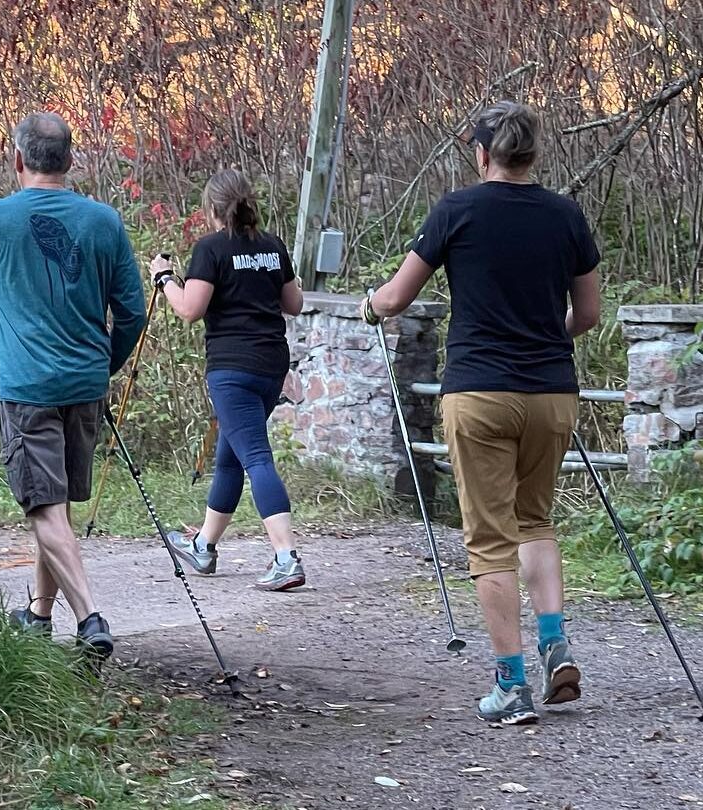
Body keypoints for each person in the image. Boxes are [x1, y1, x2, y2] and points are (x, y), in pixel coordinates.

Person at [363, 101, 602, 724]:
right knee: (537, 521)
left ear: (481, 154)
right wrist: (549, 340)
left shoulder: (456, 210)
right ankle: (556, 646)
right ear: (532, 155)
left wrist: (370, 307)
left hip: (478, 394)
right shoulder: (565, 215)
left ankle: (511, 685)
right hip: (551, 392)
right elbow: (590, 314)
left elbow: (395, 296)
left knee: (490, 541)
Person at [0, 112, 146, 658]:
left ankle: (90, 618)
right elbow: (133, 314)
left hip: (29, 389)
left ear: (17, 160)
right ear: (70, 162)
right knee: (56, 507)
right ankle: (38, 612)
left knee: (44, 509)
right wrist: (105, 364)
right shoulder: (104, 222)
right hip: (85, 385)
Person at [150, 169, 307, 591]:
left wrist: (164, 279)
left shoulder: (210, 249)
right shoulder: (273, 246)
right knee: (231, 456)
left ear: (212, 209)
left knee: (254, 456)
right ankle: (203, 545)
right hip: (271, 365)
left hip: (231, 369)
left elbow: (190, 309)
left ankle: (286, 557)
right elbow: (294, 303)